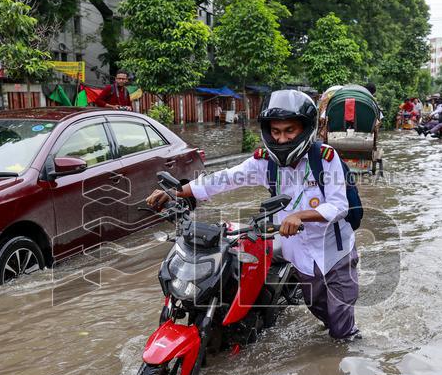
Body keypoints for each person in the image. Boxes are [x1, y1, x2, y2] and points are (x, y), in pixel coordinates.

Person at [145, 89, 360, 341]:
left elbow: (338, 205)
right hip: (298, 253)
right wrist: (176, 192)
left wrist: (301, 216)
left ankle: (349, 351)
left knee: (341, 327)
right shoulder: (263, 162)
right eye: (276, 132)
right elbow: (223, 179)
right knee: (320, 310)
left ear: (305, 129)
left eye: (290, 131)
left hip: (334, 251)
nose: (281, 139)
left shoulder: (326, 158)